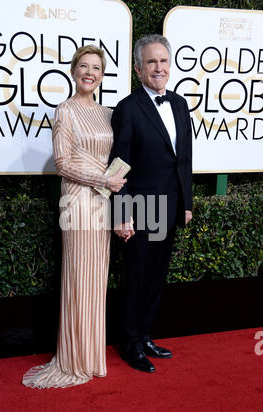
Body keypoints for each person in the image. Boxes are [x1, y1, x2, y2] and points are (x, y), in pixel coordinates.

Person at [22, 45, 126, 389]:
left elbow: (117, 157)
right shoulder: (64, 110)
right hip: (79, 202)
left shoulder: (109, 113)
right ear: (73, 70)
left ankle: (91, 354)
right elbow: (63, 164)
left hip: (103, 202)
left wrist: (113, 184)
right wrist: (102, 180)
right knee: (79, 275)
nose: (90, 72)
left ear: (101, 75)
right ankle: (73, 357)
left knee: (97, 276)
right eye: (84, 66)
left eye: (96, 67)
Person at [109, 35, 193, 373]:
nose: (158, 68)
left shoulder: (180, 104)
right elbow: (118, 164)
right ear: (138, 68)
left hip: (171, 205)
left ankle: (144, 336)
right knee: (139, 276)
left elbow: (184, 160)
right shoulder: (129, 108)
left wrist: (186, 202)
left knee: (157, 276)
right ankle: (129, 343)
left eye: (163, 61)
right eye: (151, 62)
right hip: (142, 207)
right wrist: (121, 214)